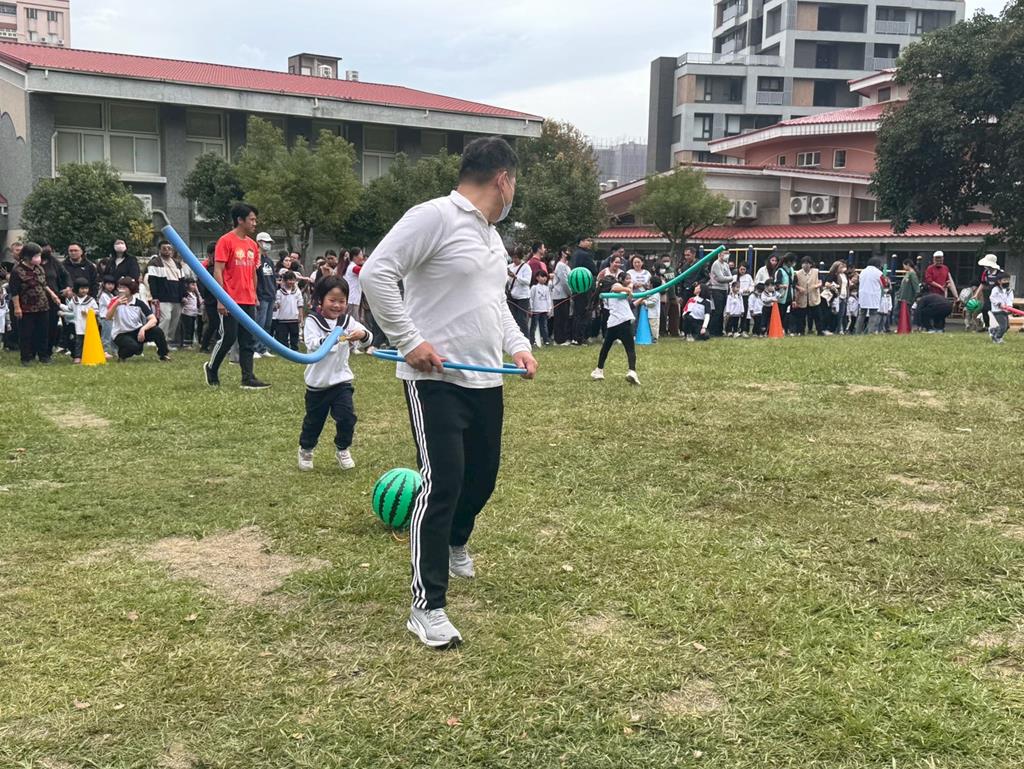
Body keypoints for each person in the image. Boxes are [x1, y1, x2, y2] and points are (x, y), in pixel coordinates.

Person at [360, 136, 537, 649]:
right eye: (514, 183)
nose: (513, 191)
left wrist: (518, 346)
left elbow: (494, 302)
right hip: (436, 382)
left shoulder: (492, 237)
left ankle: (458, 542)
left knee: (481, 481)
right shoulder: (434, 216)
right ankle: (427, 607)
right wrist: (409, 340)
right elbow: (376, 273)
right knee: (442, 484)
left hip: (486, 378)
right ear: (503, 179)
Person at [298, 276, 373, 472]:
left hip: (341, 382)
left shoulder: (347, 320)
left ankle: (343, 448)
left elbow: (367, 338)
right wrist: (336, 338)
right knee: (314, 422)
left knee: (347, 417)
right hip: (318, 385)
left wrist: (362, 335)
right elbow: (313, 344)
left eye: (342, 301)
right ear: (320, 300)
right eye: (332, 300)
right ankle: (306, 449)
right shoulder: (313, 321)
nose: (337, 305)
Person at [204, 203, 271, 390]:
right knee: (228, 337)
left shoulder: (252, 245)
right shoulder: (225, 241)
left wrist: (254, 295)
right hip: (230, 299)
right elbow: (218, 270)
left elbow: (253, 273)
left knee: (247, 340)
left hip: (248, 299)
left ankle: (248, 378)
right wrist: (221, 299)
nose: (255, 223)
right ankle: (211, 368)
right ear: (240, 220)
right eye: (252, 219)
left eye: (255, 220)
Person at [11, 243, 61, 365]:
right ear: (27, 256)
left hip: (43, 305)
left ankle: (43, 356)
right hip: (26, 307)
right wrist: (17, 307)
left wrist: (53, 295)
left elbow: (43, 284)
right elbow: (14, 291)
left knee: (43, 332)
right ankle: (26, 357)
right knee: (26, 333)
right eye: (36, 256)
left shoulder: (39, 268)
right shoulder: (17, 271)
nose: (39, 258)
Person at [590, 272, 640, 385]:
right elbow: (615, 287)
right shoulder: (616, 287)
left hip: (613, 324)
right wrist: (628, 289)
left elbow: (630, 305)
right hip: (624, 323)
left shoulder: (607, 296)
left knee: (605, 349)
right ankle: (632, 371)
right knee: (630, 349)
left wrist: (633, 291)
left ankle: (599, 370)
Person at [106, 278, 171, 362]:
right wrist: (116, 304)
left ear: (131, 289)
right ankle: (122, 355)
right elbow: (108, 317)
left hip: (137, 330)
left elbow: (153, 319)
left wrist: (143, 329)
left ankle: (163, 354)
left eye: (124, 288)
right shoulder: (114, 301)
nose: (121, 290)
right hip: (121, 333)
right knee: (134, 347)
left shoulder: (138, 303)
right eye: (120, 287)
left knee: (157, 331)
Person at [146, 240, 185, 349]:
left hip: (176, 296)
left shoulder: (177, 263)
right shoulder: (155, 263)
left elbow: (182, 281)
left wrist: (183, 295)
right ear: (159, 250)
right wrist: (155, 297)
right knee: (166, 318)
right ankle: (160, 342)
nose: (167, 250)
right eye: (164, 248)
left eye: (169, 248)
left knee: (174, 320)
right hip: (163, 296)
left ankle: (168, 341)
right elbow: (152, 280)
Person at [253, 232, 278, 359]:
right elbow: (253, 278)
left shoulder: (269, 260)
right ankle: (254, 348)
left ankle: (263, 348)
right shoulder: (255, 260)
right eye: (266, 242)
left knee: (267, 324)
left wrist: (275, 295)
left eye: (269, 242)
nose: (268, 244)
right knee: (259, 323)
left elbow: (273, 279)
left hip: (270, 295)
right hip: (261, 295)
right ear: (259, 242)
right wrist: (255, 296)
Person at [62, 278, 99, 363]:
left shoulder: (91, 300)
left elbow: (97, 311)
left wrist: (88, 312)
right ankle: (78, 356)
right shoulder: (74, 300)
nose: (84, 290)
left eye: (86, 288)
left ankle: (89, 355)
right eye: (82, 288)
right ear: (77, 288)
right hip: (78, 325)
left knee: (88, 342)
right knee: (78, 342)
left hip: (88, 325)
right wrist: (60, 305)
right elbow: (69, 308)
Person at [570, 235, 597, 345]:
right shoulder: (585, 255)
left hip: (576, 286)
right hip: (585, 287)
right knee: (584, 313)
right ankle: (581, 337)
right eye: (588, 240)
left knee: (577, 313)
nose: (590, 242)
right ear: (581, 242)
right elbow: (594, 270)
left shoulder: (575, 254)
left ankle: (575, 337)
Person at [793, 256, 827, 336]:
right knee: (801, 316)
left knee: (817, 316)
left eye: (807, 263)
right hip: (802, 297)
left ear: (811, 264)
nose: (805, 265)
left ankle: (820, 331)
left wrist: (816, 286)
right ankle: (801, 331)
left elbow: (821, 282)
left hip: (814, 297)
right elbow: (794, 284)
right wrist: (799, 288)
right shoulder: (797, 273)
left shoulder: (816, 272)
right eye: (803, 263)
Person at [198, 243, 221, 353]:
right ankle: (204, 345)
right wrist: (205, 296)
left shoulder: (219, 267)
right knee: (213, 323)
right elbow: (201, 284)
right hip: (211, 301)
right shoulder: (206, 268)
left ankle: (214, 345)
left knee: (218, 324)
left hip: (219, 300)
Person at [273, 271, 304, 350]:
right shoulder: (279, 292)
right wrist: (276, 306)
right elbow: (277, 304)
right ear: (284, 281)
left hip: (294, 318)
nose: (291, 282)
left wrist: (300, 316)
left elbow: (300, 304)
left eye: (293, 280)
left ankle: (294, 350)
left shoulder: (297, 292)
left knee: (294, 336)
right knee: (283, 337)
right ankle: (284, 350)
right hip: (282, 319)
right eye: (289, 280)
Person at [506, 247, 532, 337]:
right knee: (513, 319)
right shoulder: (509, 267)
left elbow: (527, 281)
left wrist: (516, 277)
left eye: (516, 257)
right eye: (513, 257)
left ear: (520, 257)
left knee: (522, 319)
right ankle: (515, 338)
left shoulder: (526, 267)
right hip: (512, 296)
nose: (514, 260)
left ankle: (526, 339)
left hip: (523, 297)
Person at [856, 257, 885, 334]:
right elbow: (884, 283)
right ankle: (870, 331)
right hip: (874, 295)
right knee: (873, 313)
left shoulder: (862, 272)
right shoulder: (879, 273)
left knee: (862, 314)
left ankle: (857, 331)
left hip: (863, 295)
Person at [708, 248, 732, 337]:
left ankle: (719, 331)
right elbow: (721, 278)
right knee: (717, 311)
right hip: (716, 289)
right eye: (725, 253)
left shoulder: (726, 265)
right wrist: (727, 278)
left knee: (722, 311)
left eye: (728, 253)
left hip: (724, 289)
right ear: (719, 254)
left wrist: (726, 278)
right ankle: (712, 331)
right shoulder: (716, 264)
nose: (727, 255)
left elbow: (730, 277)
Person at [550, 247, 572, 345]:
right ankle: (559, 339)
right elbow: (564, 282)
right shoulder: (560, 265)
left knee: (564, 317)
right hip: (560, 295)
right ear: (563, 253)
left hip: (564, 295)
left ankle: (563, 338)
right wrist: (570, 293)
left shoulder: (566, 266)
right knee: (560, 318)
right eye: (568, 251)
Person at [825, 261, 850, 334]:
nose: (842, 268)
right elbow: (827, 283)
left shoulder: (845, 275)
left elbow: (847, 285)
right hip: (836, 296)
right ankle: (836, 328)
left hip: (844, 295)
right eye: (840, 267)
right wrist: (834, 287)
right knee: (836, 313)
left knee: (842, 314)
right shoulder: (833, 275)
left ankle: (841, 328)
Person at [988, 271, 1013, 344]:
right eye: (1004, 280)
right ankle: (997, 337)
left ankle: (993, 331)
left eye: (1008, 280)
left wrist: (1009, 306)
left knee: (1007, 326)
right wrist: (999, 304)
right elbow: (992, 298)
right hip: (997, 310)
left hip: (1005, 310)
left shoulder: (1009, 290)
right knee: (1003, 326)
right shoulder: (995, 289)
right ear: (999, 281)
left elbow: (1010, 299)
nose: (1007, 282)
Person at [529, 270, 552, 347]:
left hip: (544, 310)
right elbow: (531, 298)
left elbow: (548, 299)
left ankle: (546, 340)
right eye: (542, 276)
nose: (544, 278)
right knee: (534, 326)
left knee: (544, 326)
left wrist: (549, 308)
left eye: (545, 277)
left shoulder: (546, 288)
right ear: (537, 278)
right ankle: (532, 341)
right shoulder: (534, 288)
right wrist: (531, 308)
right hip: (536, 310)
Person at [775, 253, 796, 334]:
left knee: (790, 314)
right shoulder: (780, 271)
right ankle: (781, 329)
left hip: (790, 295)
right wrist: (782, 286)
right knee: (781, 314)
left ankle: (788, 329)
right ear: (788, 262)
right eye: (792, 262)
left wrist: (794, 298)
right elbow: (776, 284)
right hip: (782, 296)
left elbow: (793, 283)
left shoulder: (792, 270)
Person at [97, 275, 117, 357]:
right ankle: (104, 351)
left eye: (112, 284)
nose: (111, 286)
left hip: (111, 318)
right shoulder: (103, 295)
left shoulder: (111, 295)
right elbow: (110, 305)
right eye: (108, 284)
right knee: (106, 335)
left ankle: (115, 351)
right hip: (105, 318)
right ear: (104, 284)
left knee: (113, 335)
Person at [896, 257, 920, 326]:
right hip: (903, 297)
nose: (903, 267)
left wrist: (916, 296)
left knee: (907, 313)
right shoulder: (908, 273)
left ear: (908, 264)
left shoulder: (912, 274)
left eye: (904, 265)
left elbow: (916, 286)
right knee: (902, 313)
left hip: (908, 298)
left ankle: (907, 326)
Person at [180, 278, 202, 349]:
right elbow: (183, 301)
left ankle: (190, 343)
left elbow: (200, 301)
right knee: (187, 329)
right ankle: (186, 344)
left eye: (195, 285)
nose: (194, 287)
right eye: (192, 285)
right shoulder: (186, 294)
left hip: (193, 314)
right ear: (187, 285)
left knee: (192, 328)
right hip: (186, 313)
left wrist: (197, 292)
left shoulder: (195, 294)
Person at [736, 263, 753, 336]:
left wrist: (749, 290)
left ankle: (743, 329)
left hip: (746, 297)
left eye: (744, 269)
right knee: (736, 313)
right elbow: (732, 287)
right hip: (737, 297)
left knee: (745, 313)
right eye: (741, 269)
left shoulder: (748, 277)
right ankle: (735, 329)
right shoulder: (735, 277)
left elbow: (752, 285)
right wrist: (742, 290)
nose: (742, 271)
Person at [644, 275, 662, 342]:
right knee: (650, 326)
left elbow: (652, 304)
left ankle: (655, 338)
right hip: (649, 313)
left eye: (649, 282)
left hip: (654, 314)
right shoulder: (650, 292)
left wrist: (645, 302)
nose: (647, 283)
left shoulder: (656, 293)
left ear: (651, 284)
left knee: (654, 326)